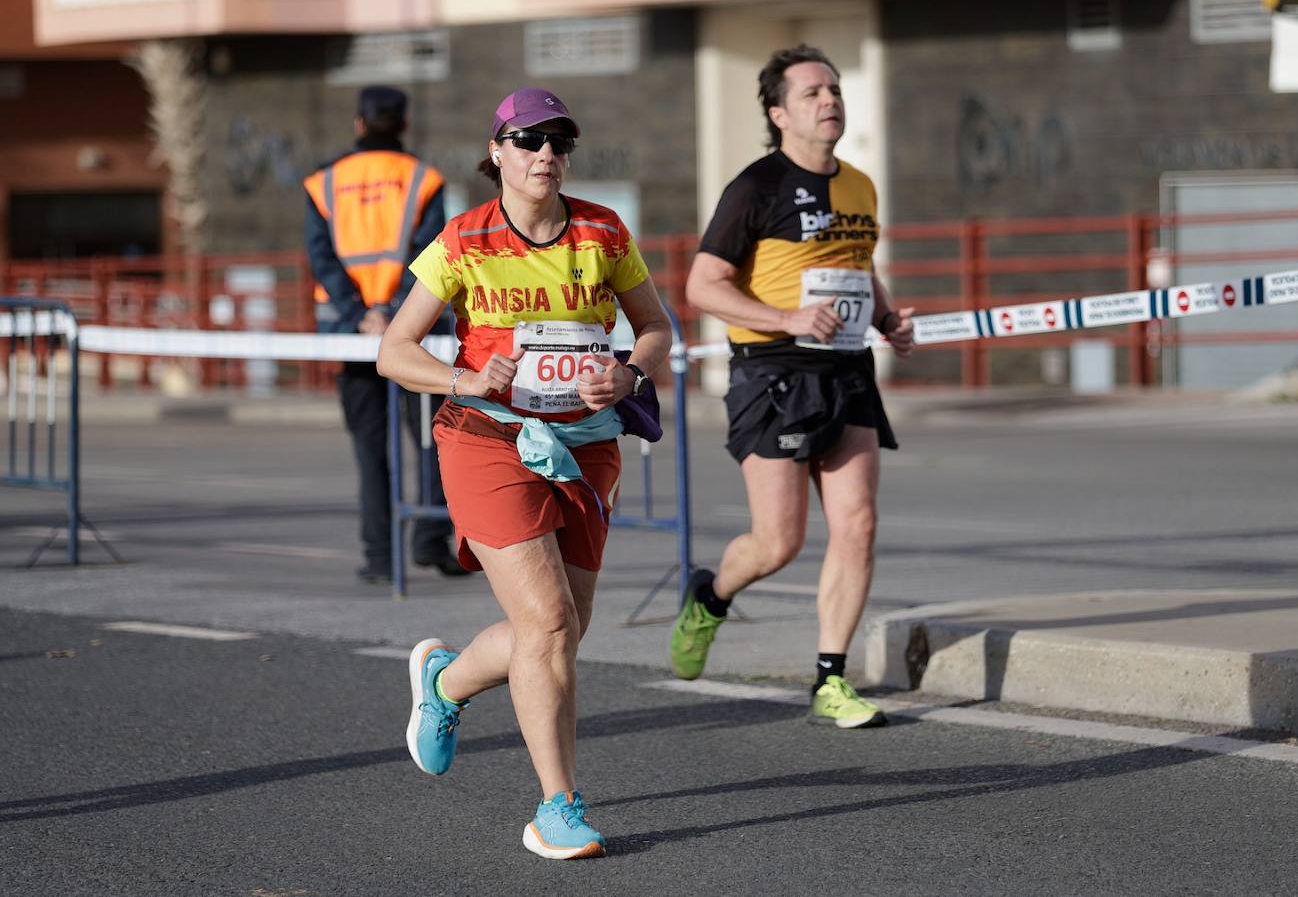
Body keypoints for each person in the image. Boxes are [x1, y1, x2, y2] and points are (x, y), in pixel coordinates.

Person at [377, 88, 671, 859]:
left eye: (559, 141)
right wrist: (465, 378)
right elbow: (393, 350)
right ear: (498, 151)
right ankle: (557, 807)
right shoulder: (464, 239)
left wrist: (629, 376)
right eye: (529, 140)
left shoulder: (603, 230)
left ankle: (444, 682)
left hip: (588, 441)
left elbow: (655, 328)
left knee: (564, 628)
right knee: (546, 624)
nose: (546, 154)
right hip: (489, 437)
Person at [671, 45, 917, 728]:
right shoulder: (756, 187)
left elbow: (856, 266)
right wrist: (785, 317)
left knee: (858, 523)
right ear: (779, 113)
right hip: (773, 374)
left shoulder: (860, 184)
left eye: (834, 89)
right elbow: (701, 286)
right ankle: (710, 595)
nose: (829, 99)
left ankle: (830, 678)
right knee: (777, 542)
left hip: (845, 371)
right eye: (812, 92)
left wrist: (890, 318)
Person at [304, 85, 467, 584]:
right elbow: (431, 256)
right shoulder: (423, 179)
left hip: (350, 332)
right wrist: (395, 311)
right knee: (432, 440)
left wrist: (362, 313)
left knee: (370, 447)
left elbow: (321, 257)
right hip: (415, 333)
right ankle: (430, 541)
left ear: (359, 124)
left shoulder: (323, 183)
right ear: (403, 124)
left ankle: (379, 556)